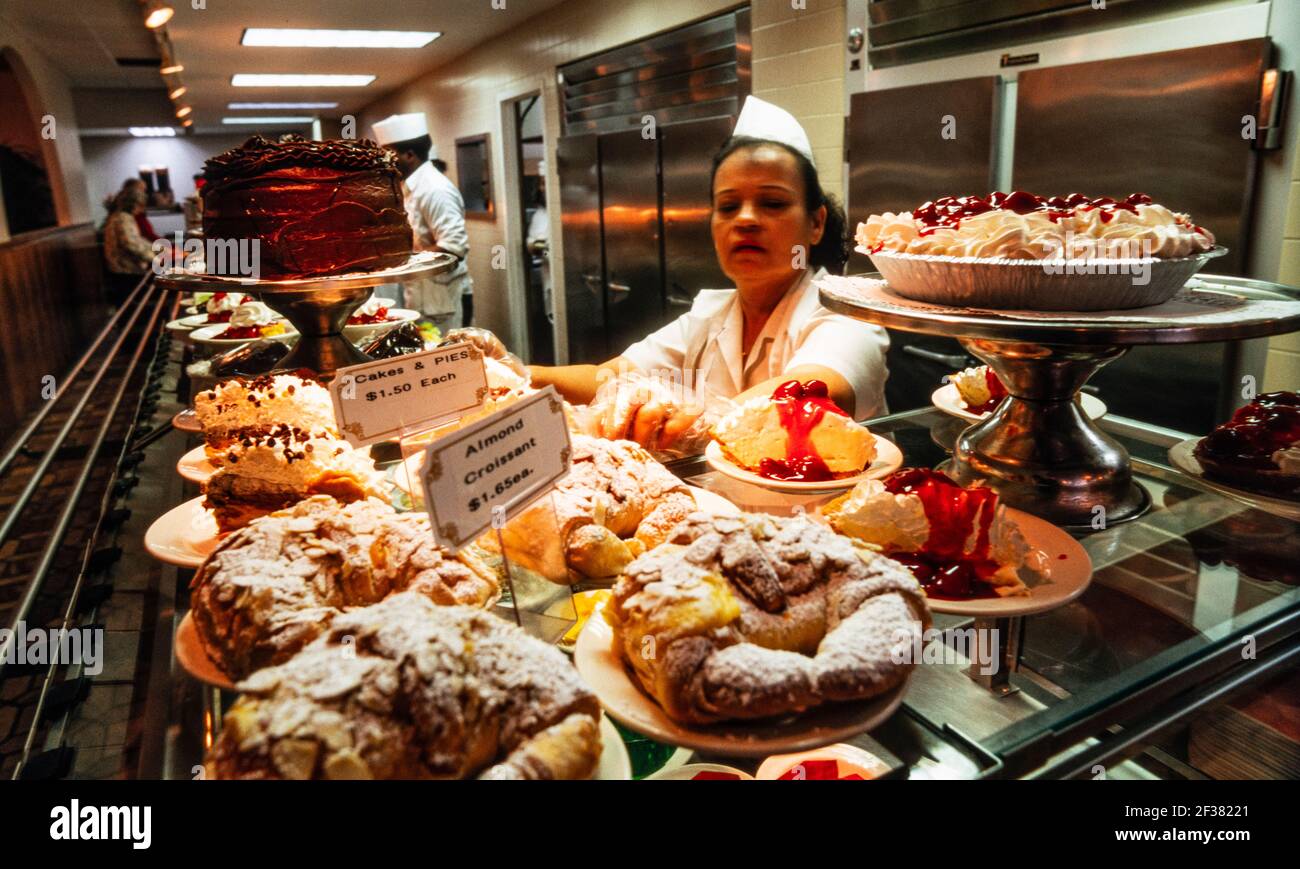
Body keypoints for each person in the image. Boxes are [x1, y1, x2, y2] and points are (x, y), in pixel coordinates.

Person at [528, 96, 889, 451]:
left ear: (816, 223)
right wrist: (519, 375)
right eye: (729, 206)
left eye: (773, 203)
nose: (745, 219)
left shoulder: (848, 312)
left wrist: (698, 421)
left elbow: (811, 391)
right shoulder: (709, 315)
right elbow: (607, 377)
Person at [371, 112, 473, 335]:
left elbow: (453, 247)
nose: (386, 160)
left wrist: (404, 262)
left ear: (409, 155)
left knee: (442, 361)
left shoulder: (435, 189)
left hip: (440, 303)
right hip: (422, 297)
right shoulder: (411, 186)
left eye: (390, 154)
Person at [102, 187, 154, 303]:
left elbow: (138, 240)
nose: (141, 209)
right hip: (126, 269)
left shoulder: (117, 216)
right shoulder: (123, 218)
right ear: (133, 204)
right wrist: (155, 258)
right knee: (132, 305)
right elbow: (131, 244)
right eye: (140, 205)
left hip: (120, 268)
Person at [526, 160, 552, 324]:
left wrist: (542, 248)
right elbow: (535, 245)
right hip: (548, 273)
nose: (542, 188)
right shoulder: (540, 213)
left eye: (545, 183)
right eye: (541, 184)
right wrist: (536, 247)